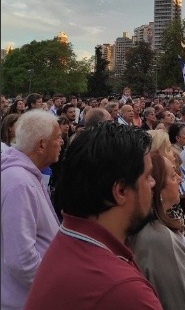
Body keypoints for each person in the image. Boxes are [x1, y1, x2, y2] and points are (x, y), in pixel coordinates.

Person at [25, 123, 163, 309]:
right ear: (120, 190)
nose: (154, 183)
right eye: (147, 176)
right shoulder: (124, 290)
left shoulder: (70, 239)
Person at [127, 150, 185, 309]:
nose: (180, 179)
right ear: (157, 188)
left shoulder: (163, 225)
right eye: (173, 176)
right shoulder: (158, 239)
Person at [1, 110, 62, 309]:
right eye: (58, 137)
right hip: (22, 301)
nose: (61, 142)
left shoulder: (24, 176)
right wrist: (53, 287)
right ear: (41, 145)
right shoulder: (19, 183)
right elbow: (21, 259)